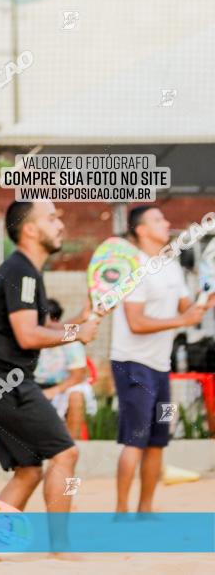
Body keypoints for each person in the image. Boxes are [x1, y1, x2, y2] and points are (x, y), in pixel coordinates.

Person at [0, 200, 99, 550]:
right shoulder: (21, 271)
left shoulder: (25, 273)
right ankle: (60, 549)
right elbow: (29, 336)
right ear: (29, 229)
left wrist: (78, 322)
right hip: (3, 381)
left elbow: (40, 328)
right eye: (52, 218)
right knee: (66, 453)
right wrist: (77, 333)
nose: (61, 224)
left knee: (29, 470)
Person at [110, 206, 213, 513]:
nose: (166, 223)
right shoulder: (134, 267)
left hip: (160, 366)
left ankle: (145, 510)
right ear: (140, 230)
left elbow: (189, 308)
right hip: (131, 364)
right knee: (135, 440)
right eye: (158, 219)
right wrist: (183, 320)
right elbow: (137, 323)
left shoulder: (170, 266)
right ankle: (120, 512)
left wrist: (208, 298)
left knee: (158, 440)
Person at [34, 298, 97, 439]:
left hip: (62, 387)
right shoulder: (29, 334)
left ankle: (71, 444)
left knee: (76, 396)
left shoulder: (70, 335)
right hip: (34, 385)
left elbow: (78, 375)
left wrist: (53, 391)